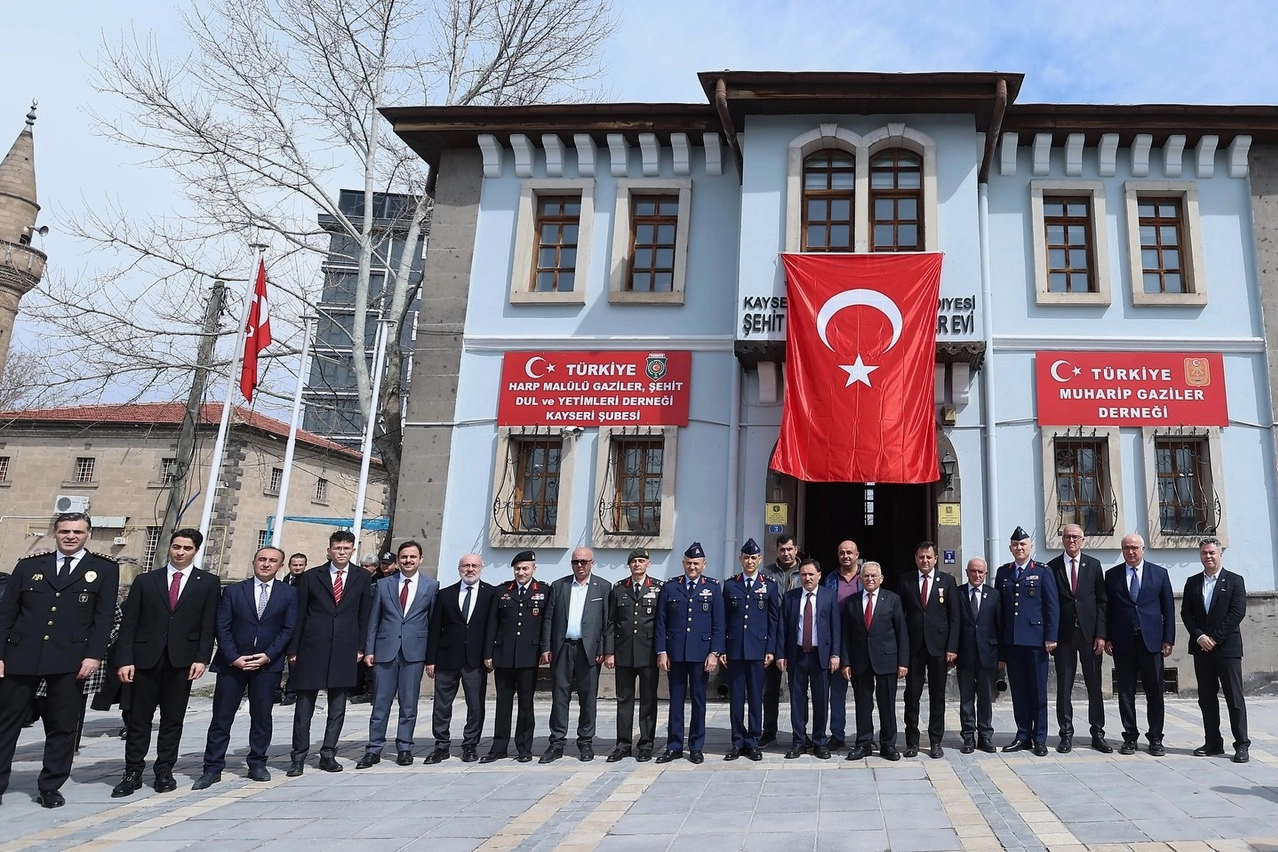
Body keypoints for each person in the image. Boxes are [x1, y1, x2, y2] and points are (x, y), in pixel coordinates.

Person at [0, 513, 119, 808]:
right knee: (6, 723)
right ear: (54, 533)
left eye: (77, 531)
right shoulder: (29, 566)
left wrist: (94, 655)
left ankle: (51, 786)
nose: (70, 536)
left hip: (70, 659)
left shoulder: (104, 569)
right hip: (22, 656)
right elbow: (7, 614)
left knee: (63, 726)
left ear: (88, 534)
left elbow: (103, 618)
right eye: (65, 531)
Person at [112, 528, 219, 797]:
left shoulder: (207, 582)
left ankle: (164, 770)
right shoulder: (146, 581)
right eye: (176, 546)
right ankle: (133, 771)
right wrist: (125, 659)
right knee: (139, 719)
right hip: (145, 659)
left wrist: (201, 658)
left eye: (187, 548)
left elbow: (208, 625)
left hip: (182, 661)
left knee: (172, 719)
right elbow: (129, 624)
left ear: (196, 551)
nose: (180, 552)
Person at [193, 547, 298, 789]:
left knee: (261, 717)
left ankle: (257, 763)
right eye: (262, 559)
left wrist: (268, 656)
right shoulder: (233, 591)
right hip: (233, 664)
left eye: (272, 561)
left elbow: (288, 628)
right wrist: (233, 657)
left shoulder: (289, 593)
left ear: (280, 566)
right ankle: (212, 767)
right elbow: (222, 626)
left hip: (266, 665)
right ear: (253, 562)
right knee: (222, 717)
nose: (266, 564)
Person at [286, 529, 373, 775]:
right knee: (304, 707)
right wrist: (293, 649)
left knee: (337, 707)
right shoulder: (311, 577)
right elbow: (299, 614)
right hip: (312, 647)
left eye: (346, 548)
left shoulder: (361, 577)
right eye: (337, 548)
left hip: (345, 648)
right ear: (329, 550)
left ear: (352, 551)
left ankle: (328, 754)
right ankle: (298, 756)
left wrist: (361, 647)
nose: (341, 552)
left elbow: (364, 614)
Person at [356, 541, 439, 769]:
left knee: (409, 704)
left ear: (421, 559)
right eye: (404, 557)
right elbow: (374, 620)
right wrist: (370, 650)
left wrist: (431, 657)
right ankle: (374, 749)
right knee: (380, 704)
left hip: (414, 652)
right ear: (398, 560)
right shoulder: (384, 585)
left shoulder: (431, 586)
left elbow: (433, 623)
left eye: (412, 557)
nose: (408, 560)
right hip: (385, 651)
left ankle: (404, 748)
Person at [539, 547, 612, 763]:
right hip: (563, 648)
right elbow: (549, 619)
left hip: (588, 650)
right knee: (559, 697)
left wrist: (603, 649)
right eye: (575, 561)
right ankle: (557, 742)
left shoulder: (603, 587)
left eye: (584, 561)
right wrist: (546, 647)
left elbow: (607, 623)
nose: (579, 565)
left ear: (592, 563)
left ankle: (585, 741)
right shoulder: (559, 586)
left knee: (588, 698)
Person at [654, 541, 724, 765]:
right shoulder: (670, 587)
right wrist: (662, 651)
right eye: (688, 563)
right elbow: (661, 622)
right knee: (675, 701)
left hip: (701, 654)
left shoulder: (713, 588)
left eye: (696, 563)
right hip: (675, 653)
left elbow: (718, 624)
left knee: (698, 701)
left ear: (704, 565)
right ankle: (674, 745)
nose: (692, 567)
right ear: (683, 563)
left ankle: (695, 746)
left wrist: (714, 653)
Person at [1105, 532, 1175, 755]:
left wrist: (1168, 639)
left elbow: (1168, 609)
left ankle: (1155, 737)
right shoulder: (1112, 575)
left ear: (1143, 549)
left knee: (1154, 691)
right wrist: (1107, 637)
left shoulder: (1159, 574)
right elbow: (1107, 609)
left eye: (1134, 547)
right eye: (1126, 548)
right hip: (1123, 641)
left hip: (1151, 641)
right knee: (1125, 692)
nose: (1131, 551)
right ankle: (1130, 737)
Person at [1181, 537, 1249, 763]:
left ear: (1220, 554)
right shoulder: (1192, 582)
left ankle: (1241, 744)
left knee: (1234, 698)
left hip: (1227, 648)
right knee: (1206, 698)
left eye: (1211, 552)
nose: (1208, 556)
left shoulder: (1235, 580)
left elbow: (1237, 613)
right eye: (1204, 553)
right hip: (1202, 649)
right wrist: (1200, 636)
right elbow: (1186, 613)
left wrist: (1215, 638)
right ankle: (1213, 742)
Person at [994, 526, 1058, 756]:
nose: (1019, 548)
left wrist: (1051, 636)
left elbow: (1052, 606)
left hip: (1036, 641)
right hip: (1012, 642)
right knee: (1019, 692)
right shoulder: (1004, 572)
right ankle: (1023, 736)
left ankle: (1040, 738)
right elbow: (1000, 611)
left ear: (1031, 547)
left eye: (1023, 544)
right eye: (1015, 545)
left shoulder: (1042, 571)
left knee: (1038, 692)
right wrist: (1001, 646)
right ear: (1010, 548)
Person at [424, 553, 494, 764]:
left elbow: (492, 627)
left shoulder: (490, 593)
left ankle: (470, 744)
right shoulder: (445, 594)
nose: (470, 569)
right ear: (459, 569)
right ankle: (441, 745)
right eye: (465, 566)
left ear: (481, 568)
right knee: (442, 705)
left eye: (474, 566)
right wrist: (430, 659)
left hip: (475, 660)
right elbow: (435, 627)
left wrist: (489, 654)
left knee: (475, 705)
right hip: (447, 658)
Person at [1046, 524, 1109, 753]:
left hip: (1089, 635)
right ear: (1062, 540)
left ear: (1083, 540)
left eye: (1075, 537)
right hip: (1063, 636)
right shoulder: (1052, 567)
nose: (1071, 540)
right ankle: (1066, 733)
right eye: (1067, 537)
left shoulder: (1093, 565)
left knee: (1094, 685)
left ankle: (1098, 733)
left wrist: (1101, 634)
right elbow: (1049, 603)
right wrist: (1050, 635)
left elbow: (1102, 601)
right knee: (1064, 686)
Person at [481, 550, 549, 763]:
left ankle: (524, 747)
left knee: (526, 704)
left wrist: (545, 650)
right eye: (518, 569)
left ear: (534, 569)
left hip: (529, 656)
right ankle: (499, 746)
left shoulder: (543, 591)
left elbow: (546, 624)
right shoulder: (502, 591)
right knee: (503, 703)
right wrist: (488, 653)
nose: (521, 572)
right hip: (503, 655)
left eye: (525, 568)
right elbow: (492, 624)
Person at [720, 538, 781, 762]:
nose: (750, 561)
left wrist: (771, 649)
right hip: (735, 649)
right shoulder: (730, 585)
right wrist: (722, 649)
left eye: (753, 558)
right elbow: (723, 619)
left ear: (760, 559)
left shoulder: (769, 585)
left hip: (758, 649)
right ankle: (737, 741)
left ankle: (753, 740)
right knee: (736, 698)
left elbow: (773, 619)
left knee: (756, 697)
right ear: (740, 559)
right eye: (746, 558)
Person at [840, 561, 907, 761]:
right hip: (860, 660)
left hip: (886, 659)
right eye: (866, 576)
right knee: (863, 704)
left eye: (873, 576)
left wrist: (903, 662)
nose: (870, 579)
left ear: (881, 578)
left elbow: (901, 632)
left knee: (887, 704)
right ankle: (863, 743)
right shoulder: (851, 602)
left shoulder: (893, 599)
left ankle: (888, 744)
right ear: (860, 579)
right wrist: (846, 662)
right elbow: (846, 635)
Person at [899, 540, 959, 759]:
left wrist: (952, 647)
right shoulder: (905, 581)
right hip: (914, 648)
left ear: (936, 559)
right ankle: (912, 741)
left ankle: (935, 741)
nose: (925, 560)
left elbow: (954, 617)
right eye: (921, 557)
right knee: (911, 696)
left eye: (929, 557)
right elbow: (900, 617)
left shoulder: (948, 581)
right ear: (916, 559)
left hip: (939, 648)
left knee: (937, 696)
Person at [603, 548, 663, 762]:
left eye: (641, 561)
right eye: (634, 561)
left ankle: (646, 744)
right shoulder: (619, 588)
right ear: (629, 565)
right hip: (624, 653)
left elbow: (661, 623)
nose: (637, 564)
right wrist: (609, 651)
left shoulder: (658, 588)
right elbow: (611, 622)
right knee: (624, 700)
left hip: (648, 653)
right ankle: (623, 745)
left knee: (648, 700)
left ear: (648, 564)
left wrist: (662, 652)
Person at [776, 559, 840, 759]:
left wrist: (835, 654)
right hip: (797, 655)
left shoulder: (829, 596)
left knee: (821, 699)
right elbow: (782, 628)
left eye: (811, 574)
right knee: (797, 700)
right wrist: (781, 654)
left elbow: (835, 627)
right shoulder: (791, 597)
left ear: (819, 575)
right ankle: (799, 741)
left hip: (820, 656)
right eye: (803, 574)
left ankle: (820, 741)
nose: (807, 578)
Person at [758, 534, 800, 746]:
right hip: (772, 636)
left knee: (798, 689)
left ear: (796, 549)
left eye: (790, 549)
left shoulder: (805, 571)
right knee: (771, 688)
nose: (786, 553)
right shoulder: (766, 574)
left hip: (798, 637)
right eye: (782, 549)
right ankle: (769, 730)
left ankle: (800, 733)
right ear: (777, 551)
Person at [955, 557, 1000, 754]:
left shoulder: (994, 595)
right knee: (966, 698)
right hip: (964, 654)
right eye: (973, 571)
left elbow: (999, 625)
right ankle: (968, 736)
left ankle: (985, 736)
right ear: (967, 572)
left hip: (987, 654)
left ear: (986, 574)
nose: (976, 575)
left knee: (985, 698)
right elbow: (953, 623)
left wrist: (1001, 656)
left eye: (980, 571)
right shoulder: (957, 593)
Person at [823, 539, 862, 750]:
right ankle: (837, 734)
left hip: (862, 642)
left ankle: (864, 734)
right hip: (837, 642)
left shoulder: (866, 576)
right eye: (842, 553)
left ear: (857, 555)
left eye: (849, 552)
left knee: (864, 694)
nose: (845, 556)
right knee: (837, 693)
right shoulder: (830, 579)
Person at [279, 552, 309, 705]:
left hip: (298, 627)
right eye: (294, 565)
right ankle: (276, 692)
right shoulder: (284, 581)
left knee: (294, 662)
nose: (297, 568)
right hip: (282, 625)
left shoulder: (307, 581)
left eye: (300, 565)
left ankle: (291, 693)